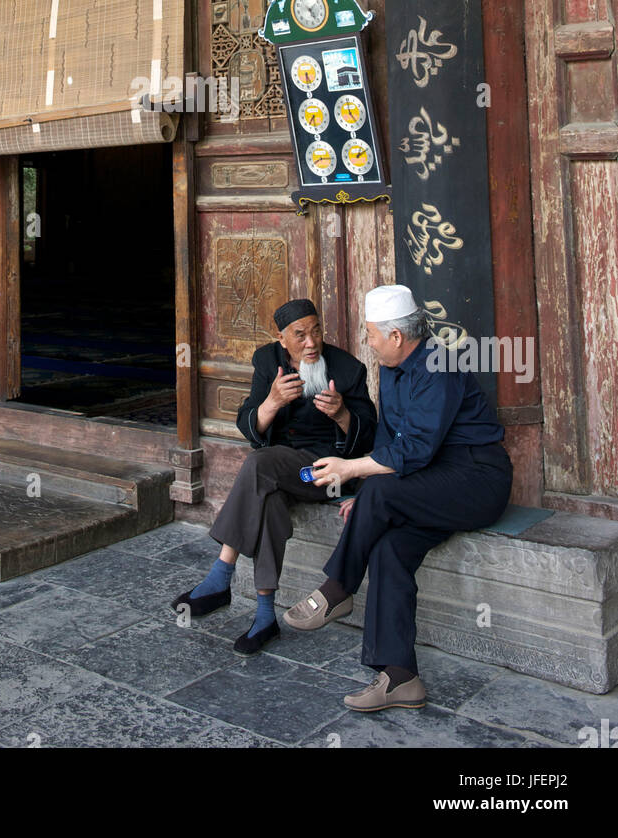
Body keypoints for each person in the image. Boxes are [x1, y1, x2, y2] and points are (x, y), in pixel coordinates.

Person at [283, 284, 513, 710]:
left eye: (371, 334)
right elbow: (390, 440)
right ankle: (400, 678)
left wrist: (354, 471)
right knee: (388, 548)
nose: (367, 342)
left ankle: (337, 588)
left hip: (477, 479)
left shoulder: (439, 363)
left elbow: (417, 449)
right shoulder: (389, 369)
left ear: (395, 336)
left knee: (382, 493)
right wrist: (367, 495)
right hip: (431, 483)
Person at [171, 298, 377, 654]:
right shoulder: (267, 360)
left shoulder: (347, 368)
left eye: (316, 332)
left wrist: (342, 414)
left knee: (258, 464)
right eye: (300, 335)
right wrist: (272, 402)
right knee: (267, 503)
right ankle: (265, 616)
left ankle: (221, 574)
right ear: (282, 339)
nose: (311, 343)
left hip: (328, 471)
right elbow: (249, 422)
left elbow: (370, 434)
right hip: (279, 472)